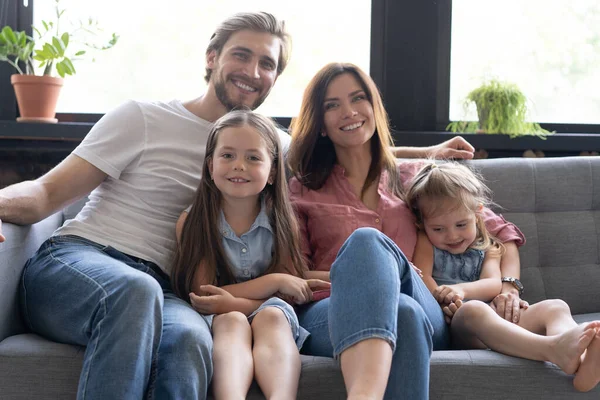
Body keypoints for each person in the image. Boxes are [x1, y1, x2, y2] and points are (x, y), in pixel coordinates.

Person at [0, 11, 490, 400]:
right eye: (241, 55)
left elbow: (347, 140)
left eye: (268, 64)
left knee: (191, 341)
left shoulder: (269, 146)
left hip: (168, 288)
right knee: (135, 293)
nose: (253, 71)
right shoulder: (142, 117)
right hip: (86, 260)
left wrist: (427, 154)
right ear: (211, 57)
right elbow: (43, 193)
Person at [287, 62, 526, 400]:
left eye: (358, 98)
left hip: (427, 303)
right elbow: (294, 273)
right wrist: (370, 276)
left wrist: (510, 288)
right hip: (331, 309)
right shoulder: (303, 189)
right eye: (332, 105)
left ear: (374, 107)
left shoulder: (413, 177)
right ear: (321, 124)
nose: (349, 111)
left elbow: (499, 231)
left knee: (374, 250)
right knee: (402, 310)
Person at [170, 109, 330, 399]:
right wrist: (273, 282)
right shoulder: (194, 222)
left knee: (272, 317)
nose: (239, 166)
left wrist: (246, 296)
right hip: (221, 315)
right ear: (209, 166)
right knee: (231, 321)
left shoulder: (282, 221)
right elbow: (207, 296)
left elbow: (289, 287)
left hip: (269, 309)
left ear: (271, 172)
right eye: (228, 156)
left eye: (253, 157)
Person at [405, 161, 600, 393]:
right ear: (423, 224)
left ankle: (583, 358)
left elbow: (494, 284)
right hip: (456, 324)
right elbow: (422, 276)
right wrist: (444, 297)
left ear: (478, 213)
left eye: (461, 224)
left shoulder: (489, 246)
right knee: (474, 309)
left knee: (555, 307)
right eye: (438, 228)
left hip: (491, 319)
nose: (452, 235)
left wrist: (462, 290)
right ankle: (553, 348)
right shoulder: (426, 243)